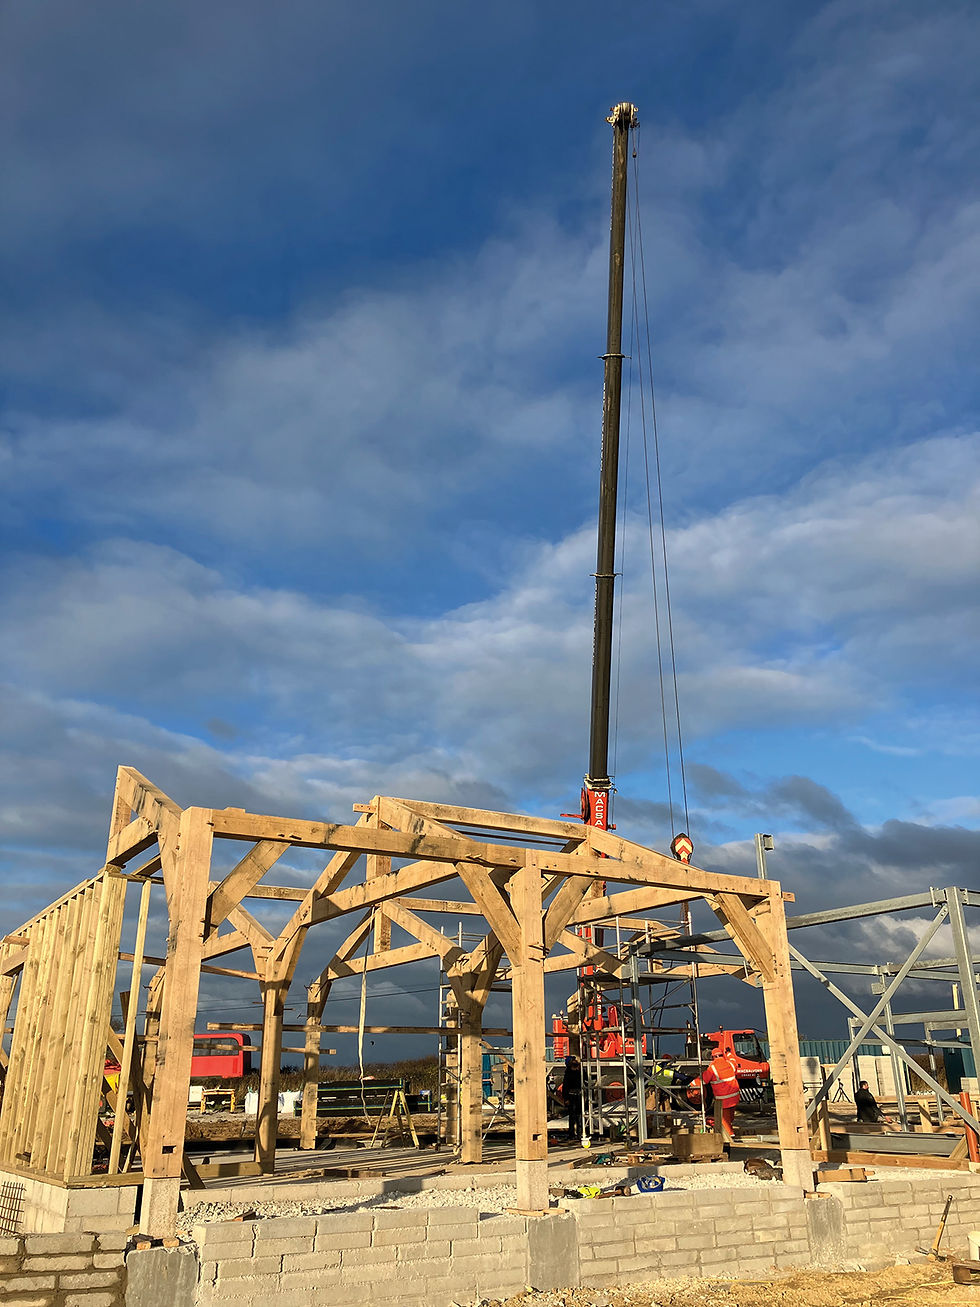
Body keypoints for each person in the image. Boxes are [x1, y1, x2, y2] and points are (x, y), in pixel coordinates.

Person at [702, 1050, 741, 1141]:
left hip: (723, 1099)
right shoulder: (730, 1064)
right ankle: (728, 1132)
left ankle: (729, 1137)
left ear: (712, 1057)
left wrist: (692, 1083)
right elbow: (734, 1060)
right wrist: (728, 1053)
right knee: (730, 1118)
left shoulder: (712, 1068)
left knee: (725, 1120)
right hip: (734, 1097)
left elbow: (704, 1080)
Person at [561, 1055, 583, 1141]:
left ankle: (579, 1133)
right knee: (572, 1116)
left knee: (579, 1116)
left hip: (578, 1095)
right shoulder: (568, 1073)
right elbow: (565, 1086)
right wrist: (566, 1098)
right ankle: (572, 1134)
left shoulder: (579, 1072)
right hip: (571, 1096)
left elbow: (585, 1079)